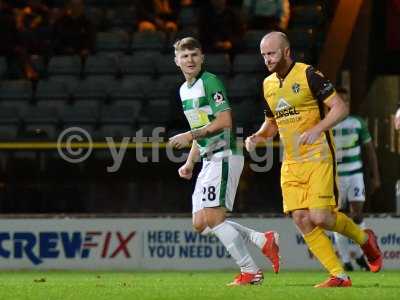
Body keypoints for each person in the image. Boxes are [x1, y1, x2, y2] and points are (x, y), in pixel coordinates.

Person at [245, 31, 383, 288]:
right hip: (292, 162)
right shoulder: (268, 85)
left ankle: (364, 239)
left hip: (318, 156)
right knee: (300, 218)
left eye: (272, 53)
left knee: (320, 217)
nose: (267, 59)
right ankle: (339, 275)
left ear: (286, 51)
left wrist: (318, 128)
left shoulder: (309, 74)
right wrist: (257, 137)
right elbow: (271, 125)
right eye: (263, 55)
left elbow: (340, 108)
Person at [169, 37, 280, 286]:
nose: (190, 60)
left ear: (202, 58)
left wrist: (188, 136)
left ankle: (250, 271)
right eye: (184, 56)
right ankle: (263, 240)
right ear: (176, 61)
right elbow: (201, 127)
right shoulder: (183, 90)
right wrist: (189, 162)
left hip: (225, 155)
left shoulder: (210, 81)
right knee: (200, 223)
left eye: (194, 55)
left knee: (214, 219)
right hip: (208, 159)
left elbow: (223, 122)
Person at [332, 87, 381, 272]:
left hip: (355, 175)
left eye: (346, 101)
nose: (344, 104)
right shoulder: (327, 125)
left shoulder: (357, 123)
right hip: (336, 177)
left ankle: (361, 254)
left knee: (357, 215)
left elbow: (370, 151)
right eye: (340, 101)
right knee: (338, 216)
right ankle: (346, 260)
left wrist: (375, 176)